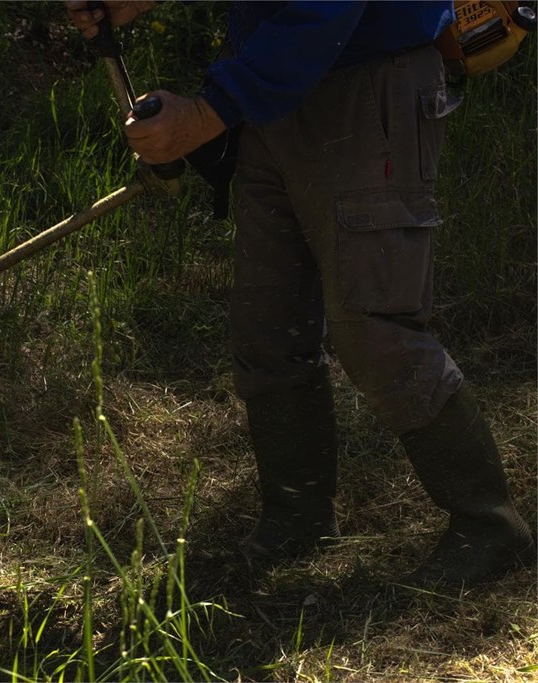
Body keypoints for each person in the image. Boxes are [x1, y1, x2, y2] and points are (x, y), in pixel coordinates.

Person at [66, 0, 536, 585]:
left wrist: (211, 111)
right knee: (268, 325)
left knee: (376, 329)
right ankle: (297, 517)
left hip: (368, 77)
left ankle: (489, 526)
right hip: (274, 87)